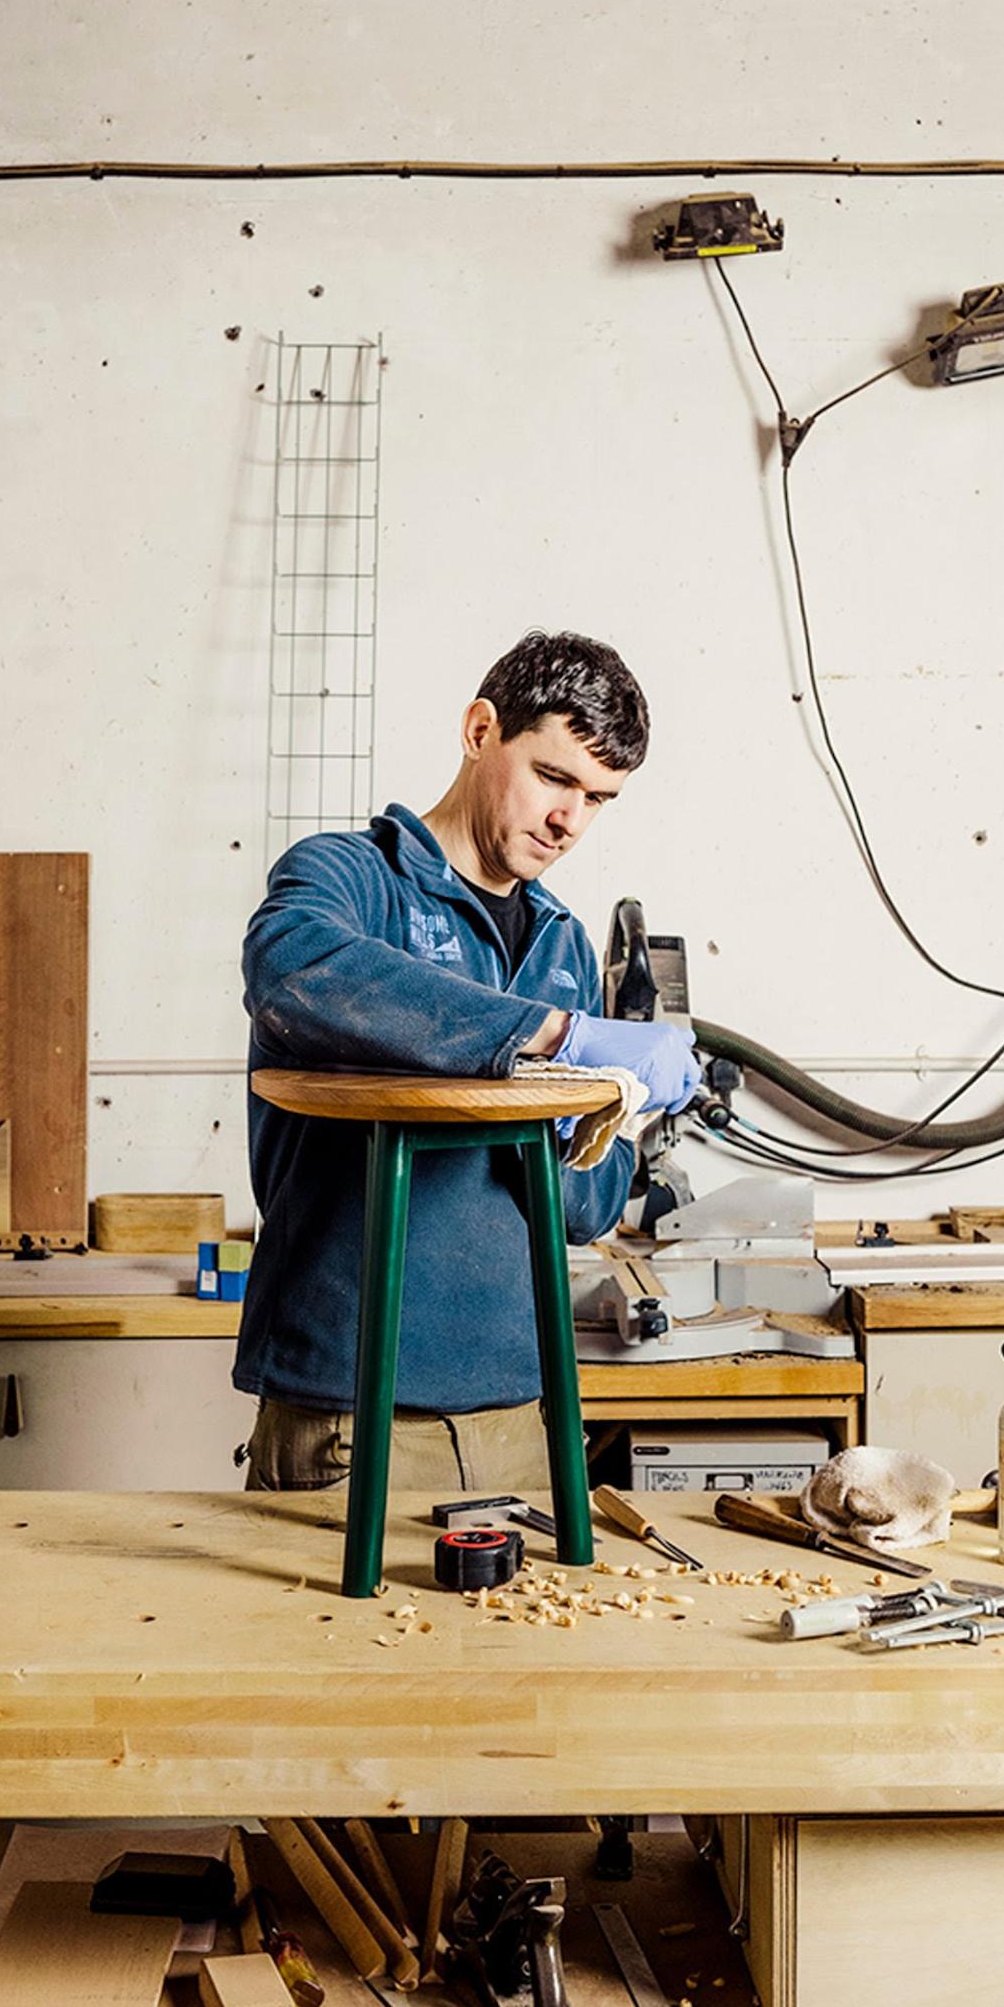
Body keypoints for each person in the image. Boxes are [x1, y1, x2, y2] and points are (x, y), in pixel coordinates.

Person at [236, 629, 703, 1493]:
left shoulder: (562, 942)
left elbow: (580, 1211)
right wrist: (558, 1039)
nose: (569, 820)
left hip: (520, 1411)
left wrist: (611, 1116)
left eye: (598, 799)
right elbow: (291, 971)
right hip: (351, 1407)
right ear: (481, 730)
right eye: (554, 777)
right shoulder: (352, 879)